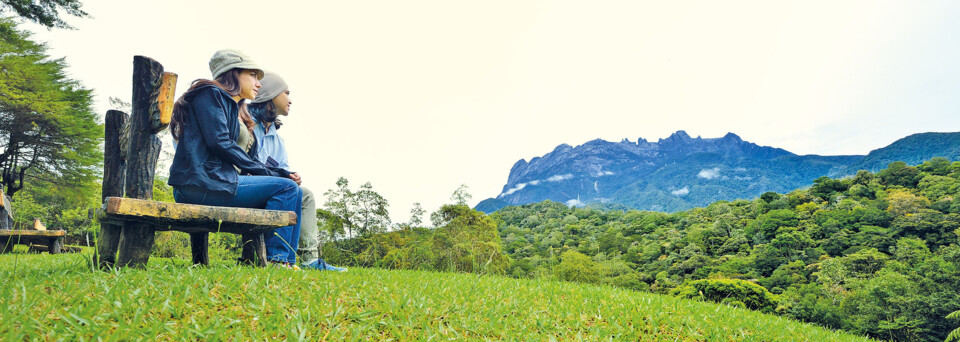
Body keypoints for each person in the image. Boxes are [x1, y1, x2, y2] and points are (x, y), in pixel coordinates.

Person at [168, 49, 302, 268]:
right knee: (285, 188)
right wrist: (268, 173)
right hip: (199, 185)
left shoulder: (230, 105)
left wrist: (278, 172)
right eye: (253, 76)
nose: (258, 84)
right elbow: (219, 142)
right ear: (234, 73)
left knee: (292, 188)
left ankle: (287, 262)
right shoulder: (209, 94)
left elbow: (237, 152)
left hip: (214, 182)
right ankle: (277, 261)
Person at [249, 71, 347, 272]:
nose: (290, 100)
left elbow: (282, 168)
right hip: (249, 188)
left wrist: (291, 175)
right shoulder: (246, 123)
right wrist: (281, 177)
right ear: (270, 94)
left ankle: (308, 259)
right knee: (287, 188)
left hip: (273, 190)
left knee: (305, 195)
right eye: (286, 92)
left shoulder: (277, 138)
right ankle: (278, 259)